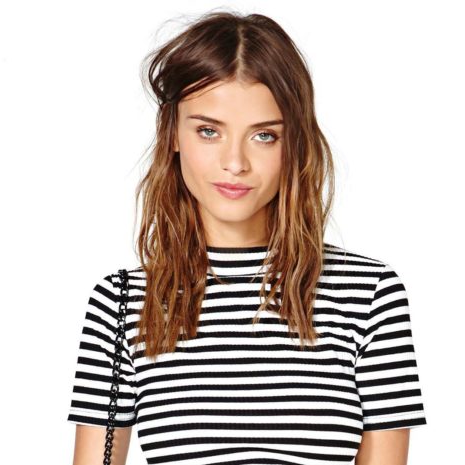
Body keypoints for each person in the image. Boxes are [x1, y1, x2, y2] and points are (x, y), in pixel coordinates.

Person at [66, 10, 427, 465]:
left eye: (264, 136)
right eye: (209, 131)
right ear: (173, 134)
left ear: (294, 143)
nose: (235, 163)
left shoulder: (368, 295)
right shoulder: (121, 304)